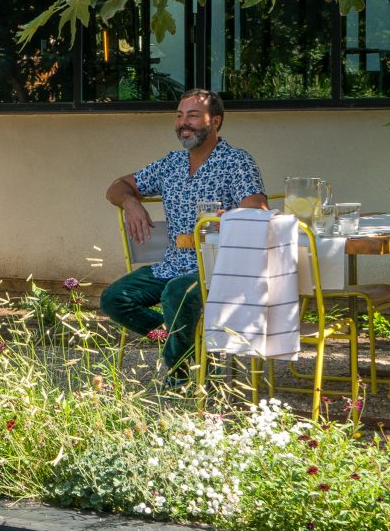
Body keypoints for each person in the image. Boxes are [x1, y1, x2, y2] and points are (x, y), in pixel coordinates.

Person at [100, 90, 266, 377]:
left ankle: (178, 375)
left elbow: (257, 210)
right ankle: (188, 347)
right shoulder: (171, 164)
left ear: (215, 122)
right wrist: (130, 202)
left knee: (178, 292)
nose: (182, 123)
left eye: (192, 115)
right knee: (114, 298)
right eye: (178, 115)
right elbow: (116, 187)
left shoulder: (237, 161)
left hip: (218, 268)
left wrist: (231, 217)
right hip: (173, 264)